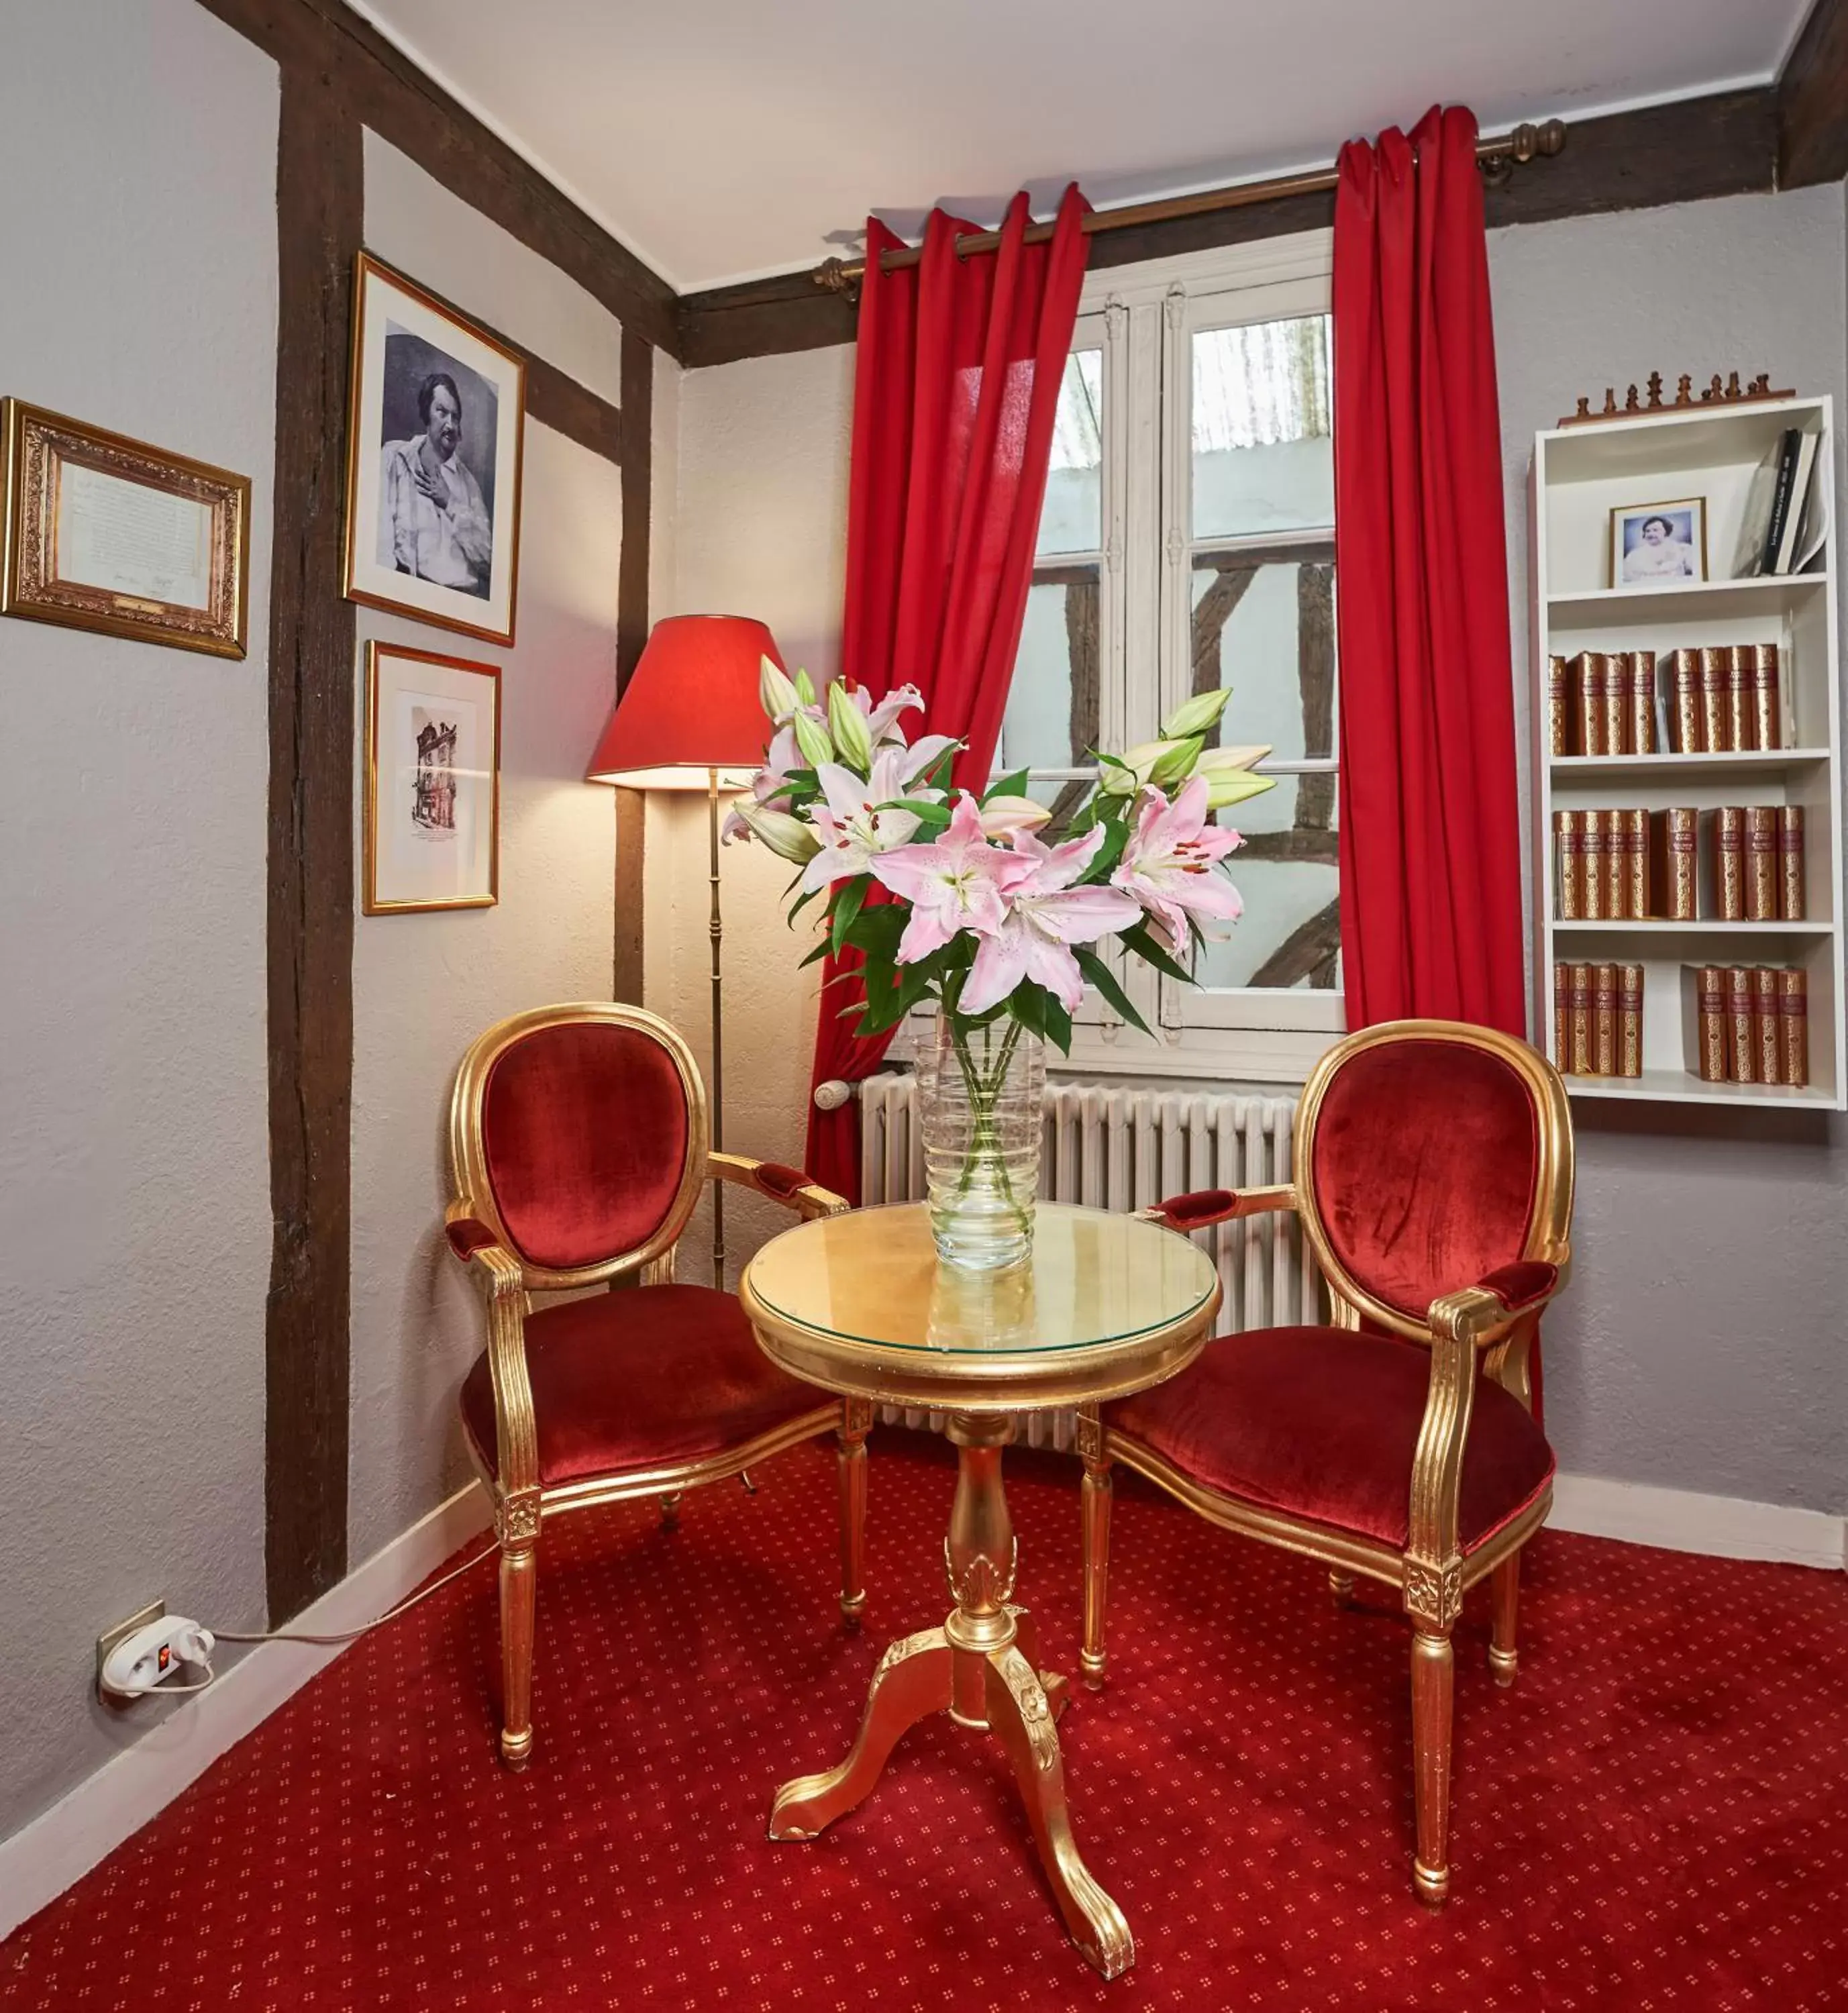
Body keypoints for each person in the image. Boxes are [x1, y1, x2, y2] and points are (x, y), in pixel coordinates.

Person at [378, 371, 493, 596]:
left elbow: (488, 562)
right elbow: (379, 541)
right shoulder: (395, 458)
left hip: (460, 602)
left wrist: (450, 503)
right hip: (405, 594)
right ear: (427, 415)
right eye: (442, 412)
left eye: (456, 416)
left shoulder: (469, 486)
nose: (450, 424)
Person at [1622, 513, 1698, 582]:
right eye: (1648, 531)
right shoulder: (1634, 555)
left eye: (1655, 530)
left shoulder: (1683, 549)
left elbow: (1696, 575)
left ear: (1666, 532)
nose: (1651, 534)